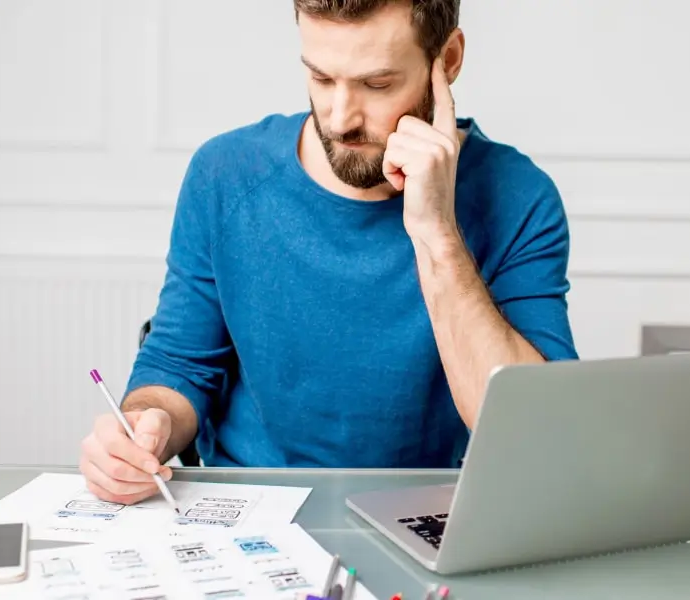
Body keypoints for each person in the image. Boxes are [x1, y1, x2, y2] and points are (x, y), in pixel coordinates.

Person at [78, 0, 579, 505]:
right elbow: (180, 366)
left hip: (422, 511)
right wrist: (144, 427)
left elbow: (534, 435)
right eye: (320, 78)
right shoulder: (225, 174)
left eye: (377, 84)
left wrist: (438, 235)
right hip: (250, 509)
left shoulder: (518, 198)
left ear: (446, 61)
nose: (340, 119)